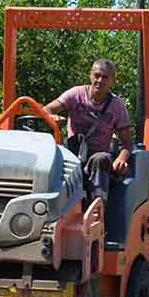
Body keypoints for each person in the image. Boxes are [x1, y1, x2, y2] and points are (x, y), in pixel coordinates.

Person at [45, 59, 135, 206]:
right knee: (51, 159)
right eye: (97, 75)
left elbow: (127, 143)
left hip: (98, 155)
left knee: (100, 159)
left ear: (113, 81)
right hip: (73, 151)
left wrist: (122, 159)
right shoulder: (76, 94)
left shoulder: (117, 105)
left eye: (105, 77)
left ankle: (96, 210)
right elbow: (47, 109)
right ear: (90, 76)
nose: (100, 80)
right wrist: (51, 116)